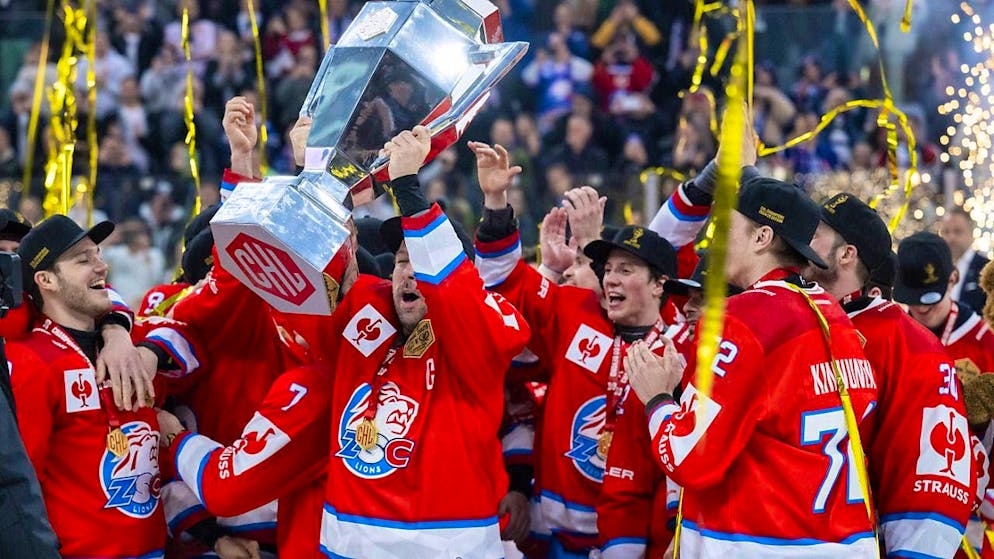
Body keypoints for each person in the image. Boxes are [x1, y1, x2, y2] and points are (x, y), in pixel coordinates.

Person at [629, 177, 880, 558]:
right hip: (839, 540)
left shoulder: (745, 318)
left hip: (760, 542)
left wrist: (658, 399)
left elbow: (690, 457)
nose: (715, 241)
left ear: (763, 237)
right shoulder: (834, 316)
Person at [310, 126, 530, 557]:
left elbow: (454, 294)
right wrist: (314, 168)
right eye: (401, 261)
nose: (408, 272)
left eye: (420, 260)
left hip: (444, 545)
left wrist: (408, 188)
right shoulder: (366, 315)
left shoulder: (486, 324)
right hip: (346, 544)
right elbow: (303, 276)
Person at [472, 140, 685, 557]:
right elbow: (502, 291)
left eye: (626, 270)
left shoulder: (680, 349)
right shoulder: (575, 310)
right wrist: (496, 202)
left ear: (660, 285)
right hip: (547, 532)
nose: (611, 280)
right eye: (607, 270)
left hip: (631, 538)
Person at [808, 193, 975, 558]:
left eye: (815, 231)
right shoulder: (789, 320)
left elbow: (933, 475)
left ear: (846, 254)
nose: (800, 237)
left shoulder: (906, 343)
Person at [8, 215, 165, 558]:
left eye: (98, 255)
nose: (101, 267)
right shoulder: (31, 361)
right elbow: (22, 481)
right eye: (83, 260)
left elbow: (192, 329)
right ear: (45, 279)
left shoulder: (129, 344)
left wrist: (121, 333)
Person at [894, 232, 994, 411]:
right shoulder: (893, 339)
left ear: (953, 279)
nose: (921, 308)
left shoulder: (984, 341)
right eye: (912, 297)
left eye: (930, 297)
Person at [940, 208, 991, 314]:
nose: (951, 237)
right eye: (946, 232)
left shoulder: (987, 269)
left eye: (957, 231)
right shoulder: (935, 269)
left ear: (971, 233)